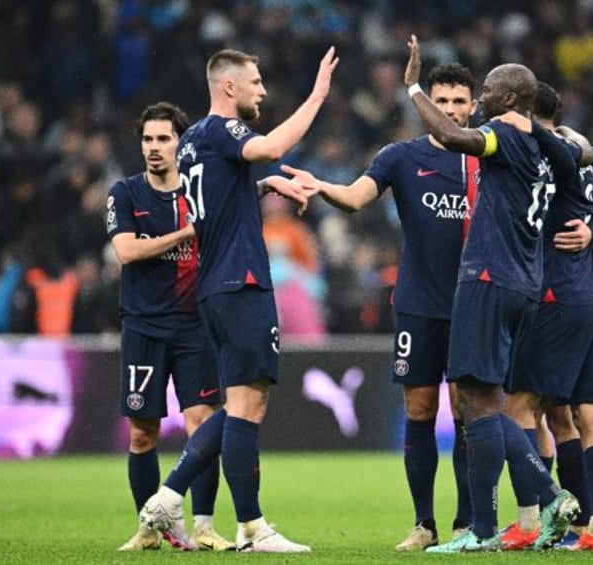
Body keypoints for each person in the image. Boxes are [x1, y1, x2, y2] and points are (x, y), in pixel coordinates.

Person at [138, 46, 339, 553]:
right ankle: (229, 518)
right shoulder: (223, 131)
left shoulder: (191, 146)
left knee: (241, 404)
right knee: (247, 405)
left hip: (214, 286)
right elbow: (269, 146)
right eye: (255, 81)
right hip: (241, 281)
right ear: (228, 87)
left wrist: (261, 184)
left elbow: (221, 198)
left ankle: (183, 499)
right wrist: (317, 95)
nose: (263, 90)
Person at [281, 63, 479, 551]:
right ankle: (423, 523)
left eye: (459, 101)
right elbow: (354, 197)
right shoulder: (400, 157)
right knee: (420, 407)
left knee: (467, 411)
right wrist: (323, 186)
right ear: (424, 105)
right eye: (442, 101)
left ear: (474, 106)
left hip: (473, 303)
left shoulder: (486, 160)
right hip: (416, 303)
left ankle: (467, 523)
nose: (450, 110)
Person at [402, 35, 580, 553]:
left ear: (505, 100)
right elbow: (586, 158)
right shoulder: (552, 150)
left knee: (477, 404)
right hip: (524, 283)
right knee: (486, 401)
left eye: (484, 93)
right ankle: (501, 519)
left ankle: (522, 508)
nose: (476, 101)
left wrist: (414, 88)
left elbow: (458, 139)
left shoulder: (505, 132)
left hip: (487, 279)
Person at [106, 102, 233, 552]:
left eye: (164, 138)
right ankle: (149, 528)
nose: (154, 148)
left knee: (203, 423)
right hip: (143, 326)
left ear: (181, 142)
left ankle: (203, 525)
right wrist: (186, 235)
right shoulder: (125, 193)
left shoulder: (201, 193)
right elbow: (127, 253)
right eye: (147, 139)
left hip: (196, 327)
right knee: (144, 432)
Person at [503, 81, 593, 551]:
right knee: (577, 410)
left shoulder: (543, 156)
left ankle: (531, 521)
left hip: (555, 295)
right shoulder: (580, 155)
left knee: (517, 405)